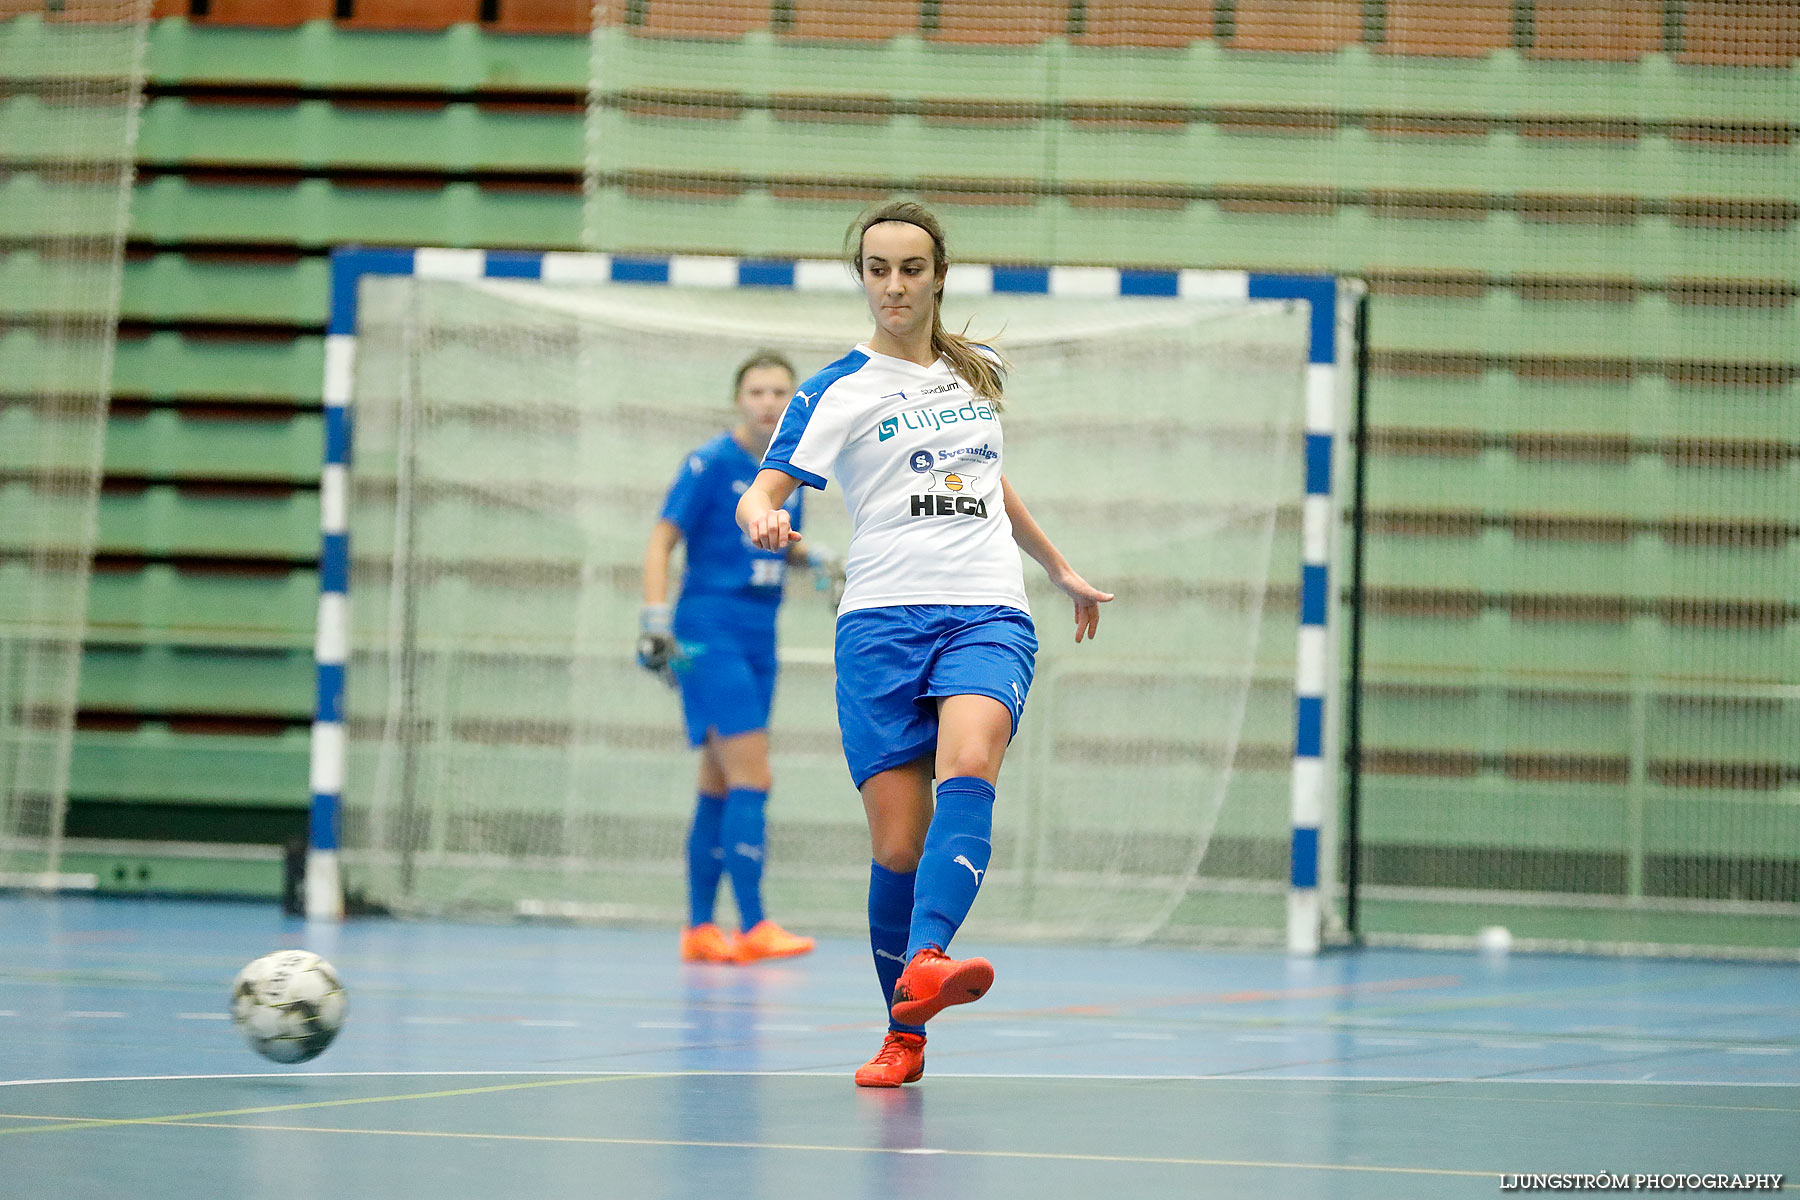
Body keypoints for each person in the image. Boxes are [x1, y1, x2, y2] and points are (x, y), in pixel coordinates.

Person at [736, 201, 1113, 1087]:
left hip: (985, 609)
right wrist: (762, 519)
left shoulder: (966, 381)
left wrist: (1056, 567)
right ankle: (903, 1033)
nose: (895, 285)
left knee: (969, 767)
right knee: (900, 850)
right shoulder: (835, 390)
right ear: (861, 278)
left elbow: (988, 481)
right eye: (878, 269)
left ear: (939, 275)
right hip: (880, 623)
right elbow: (767, 491)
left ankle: (933, 955)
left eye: (911, 268)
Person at [638, 350, 832, 965]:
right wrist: (654, 618)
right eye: (757, 391)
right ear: (738, 399)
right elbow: (663, 538)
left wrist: (813, 560)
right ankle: (753, 925)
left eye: (780, 391)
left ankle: (699, 928)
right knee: (754, 775)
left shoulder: (788, 473)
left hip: (758, 637)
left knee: (717, 780)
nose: (769, 402)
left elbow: (768, 545)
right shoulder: (710, 463)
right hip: (708, 632)